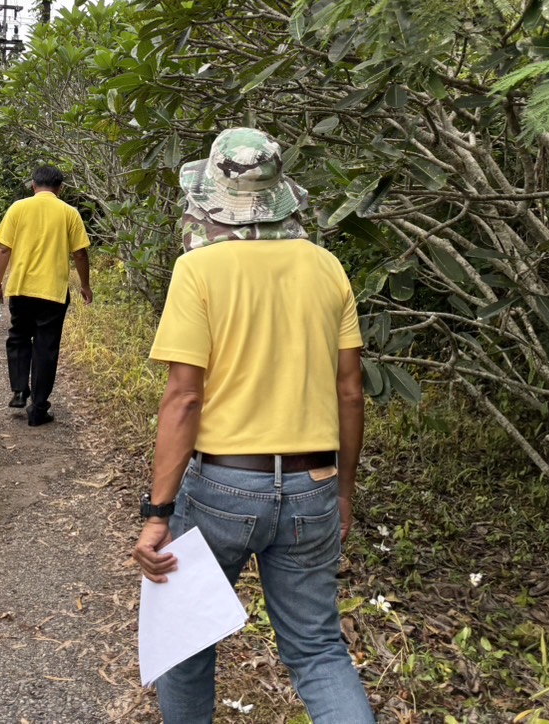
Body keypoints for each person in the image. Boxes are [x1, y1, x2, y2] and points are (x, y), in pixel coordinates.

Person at [131, 127, 374, 724]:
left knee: (188, 648)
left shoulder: (199, 270)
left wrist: (158, 514)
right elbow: (350, 391)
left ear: (211, 195)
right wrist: (343, 490)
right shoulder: (326, 267)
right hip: (313, 486)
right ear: (280, 194)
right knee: (318, 651)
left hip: (222, 489)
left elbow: (184, 400)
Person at [0, 165, 92, 426]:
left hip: (21, 288)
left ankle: (20, 390)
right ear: (60, 188)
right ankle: (39, 408)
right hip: (53, 292)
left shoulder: (17, 208)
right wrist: (85, 285)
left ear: (33, 184)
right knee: (46, 348)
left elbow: (3, 250)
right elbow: (80, 253)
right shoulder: (69, 213)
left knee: (18, 337)